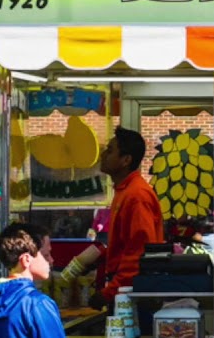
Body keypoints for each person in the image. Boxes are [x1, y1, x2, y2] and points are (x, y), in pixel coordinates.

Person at [63, 128, 166, 309]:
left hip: (133, 295)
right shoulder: (124, 191)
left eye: (110, 150)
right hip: (125, 290)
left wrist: (109, 292)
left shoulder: (137, 195)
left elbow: (139, 253)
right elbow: (126, 244)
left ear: (126, 160)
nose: (103, 154)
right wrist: (100, 258)